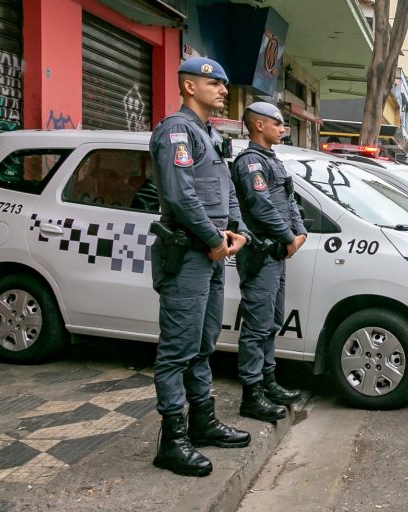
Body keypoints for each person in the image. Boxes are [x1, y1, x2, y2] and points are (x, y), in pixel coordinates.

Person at [148, 57, 252, 478]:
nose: (224, 90)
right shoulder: (175, 131)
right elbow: (178, 194)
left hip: (212, 255)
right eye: (215, 83)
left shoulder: (210, 136)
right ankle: (172, 441)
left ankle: (201, 421)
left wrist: (237, 231)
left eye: (225, 83)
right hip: (189, 253)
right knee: (177, 348)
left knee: (204, 341)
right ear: (190, 87)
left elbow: (224, 190)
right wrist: (213, 240)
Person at [231, 102, 308, 423]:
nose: (282, 127)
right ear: (259, 126)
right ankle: (252, 394)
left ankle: (268, 383)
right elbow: (261, 207)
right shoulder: (250, 163)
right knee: (257, 325)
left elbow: (289, 199)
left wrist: (299, 232)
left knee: (272, 321)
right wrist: (289, 238)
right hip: (261, 254)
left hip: (277, 254)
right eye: (278, 123)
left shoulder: (272, 161)